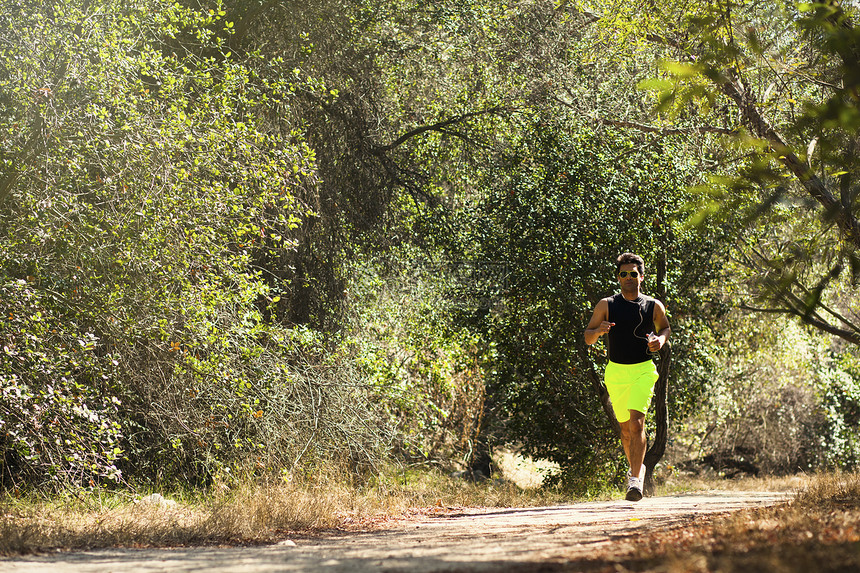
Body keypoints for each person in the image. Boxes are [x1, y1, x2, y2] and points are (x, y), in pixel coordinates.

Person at [584, 253, 670, 502]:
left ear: (641, 277)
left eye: (633, 273)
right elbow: (587, 337)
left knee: (637, 423)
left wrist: (659, 340)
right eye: (624, 274)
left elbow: (664, 327)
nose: (629, 278)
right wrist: (598, 331)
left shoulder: (653, 305)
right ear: (618, 278)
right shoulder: (606, 305)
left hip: (643, 370)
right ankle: (638, 468)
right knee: (624, 430)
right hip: (616, 372)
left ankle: (635, 482)